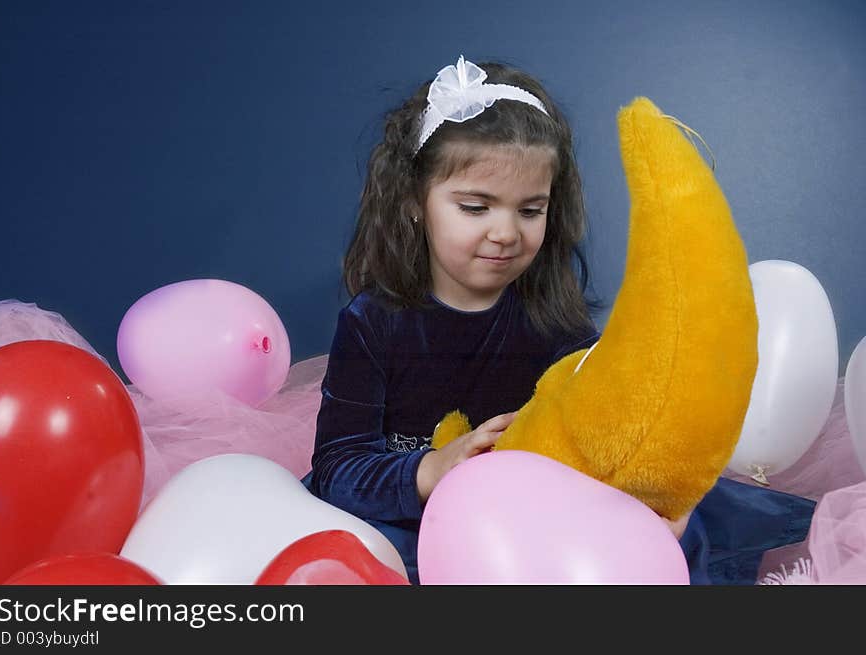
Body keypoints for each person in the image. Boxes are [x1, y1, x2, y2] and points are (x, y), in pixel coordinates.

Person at [301, 55, 815, 584]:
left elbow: (607, 422)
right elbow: (340, 466)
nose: (505, 232)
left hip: (546, 510)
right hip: (422, 515)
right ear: (415, 202)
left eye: (529, 210)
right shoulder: (374, 322)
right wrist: (433, 469)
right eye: (475, 208)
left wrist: (654, 501)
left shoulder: (551, 317)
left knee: (696, 527)